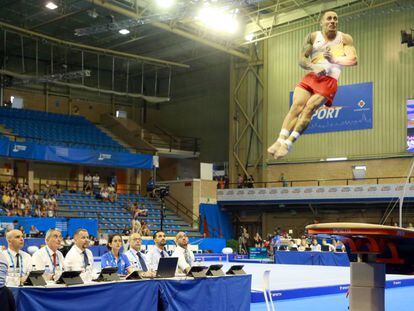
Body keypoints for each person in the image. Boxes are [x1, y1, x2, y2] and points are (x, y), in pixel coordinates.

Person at [267, 10, 357, 159]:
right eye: (329, 19)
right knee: (296, 107)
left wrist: (335, 60)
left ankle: (288, 143)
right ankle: (279, 140)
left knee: (309, 109)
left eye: (335, 19)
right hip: (312, 76)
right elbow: (302, 59)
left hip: (329, 81)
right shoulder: (313, 37)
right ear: (321, 22)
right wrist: (313, 67)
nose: (332, 21)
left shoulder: (344, 39)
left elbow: (353, 60)